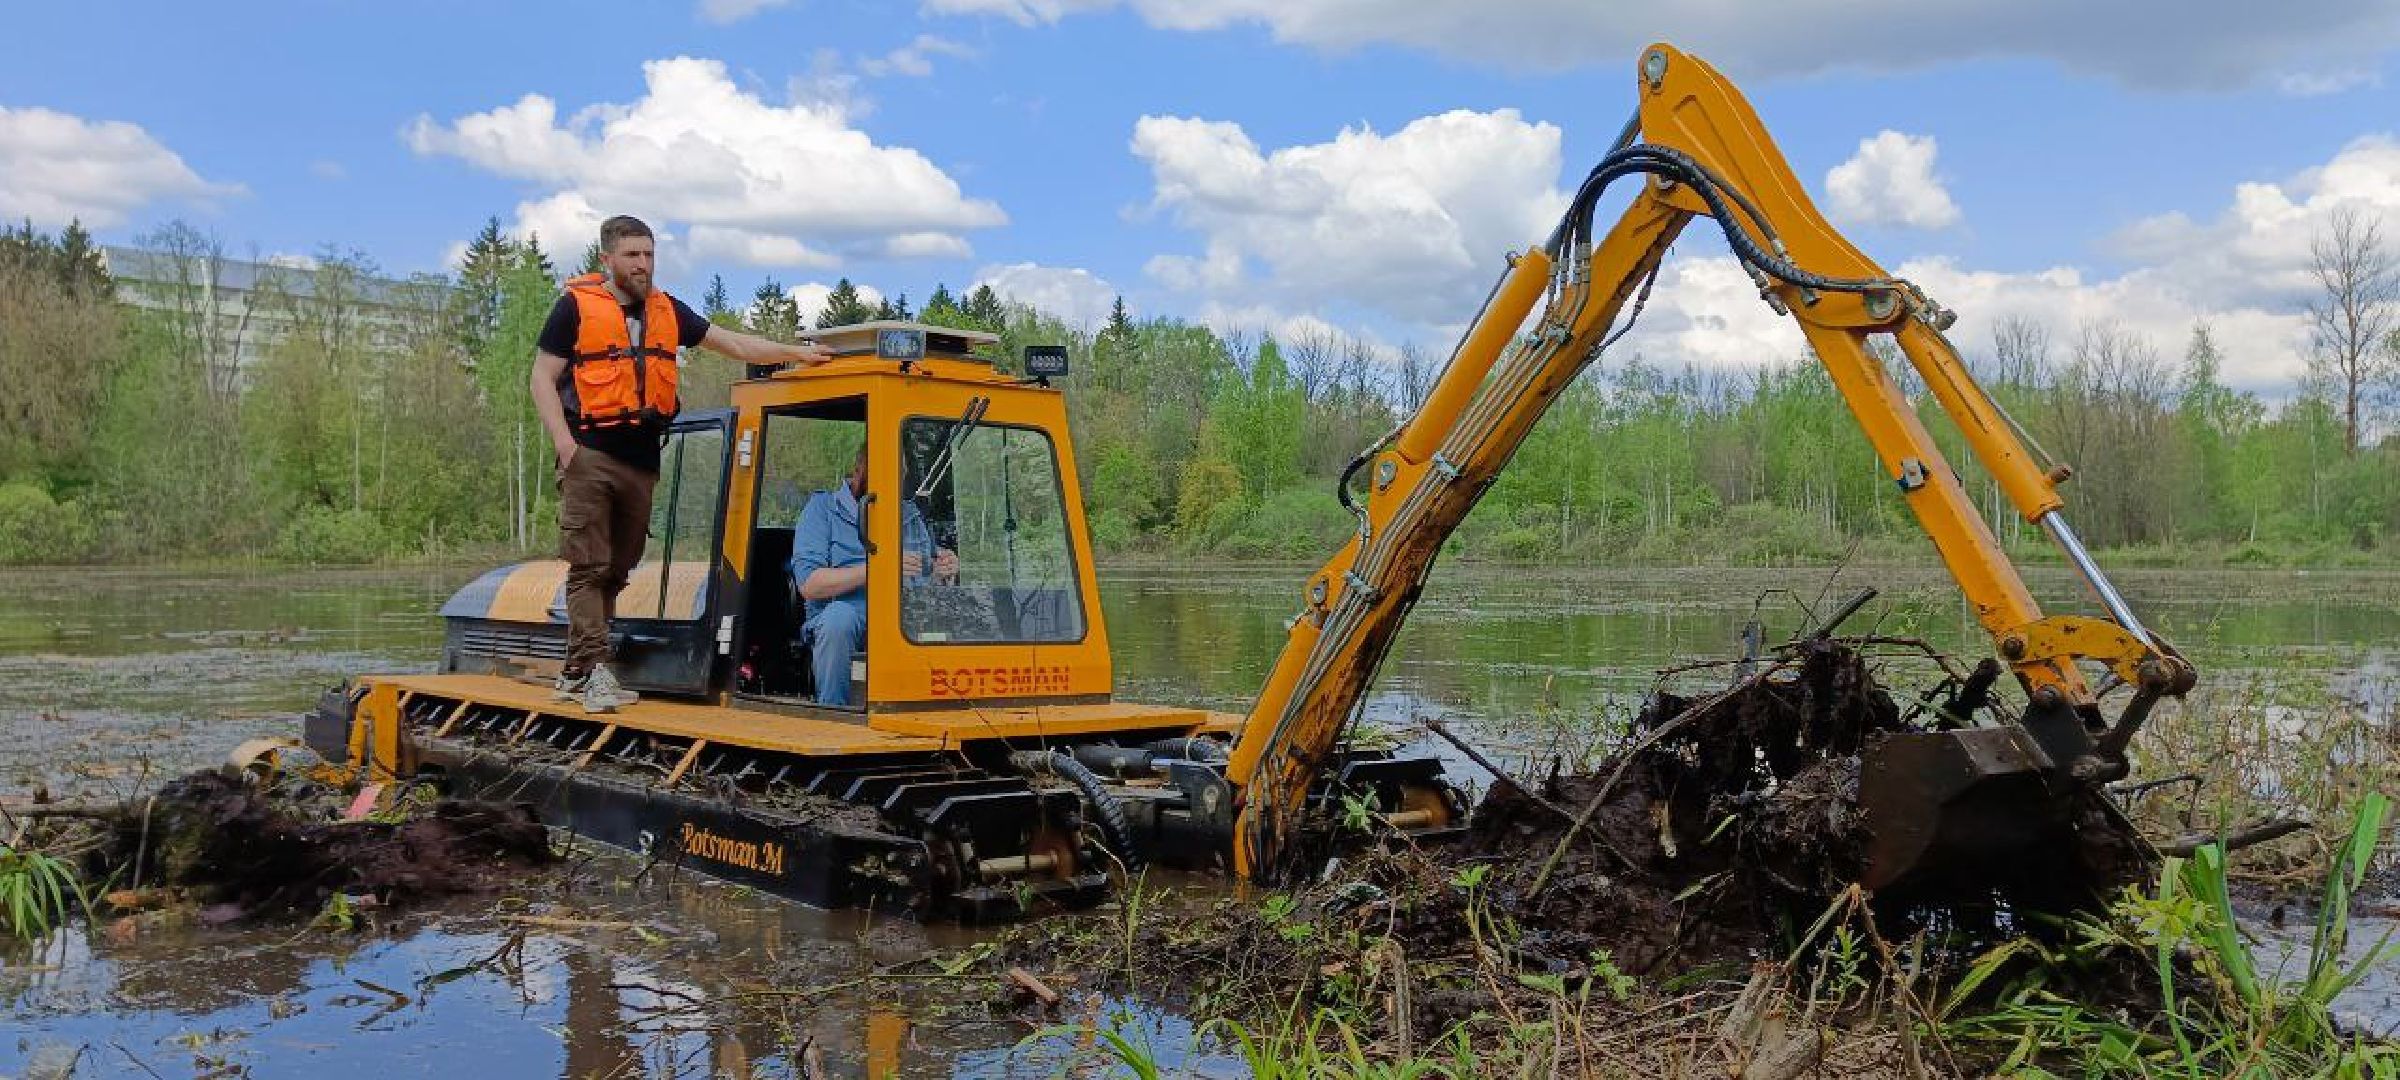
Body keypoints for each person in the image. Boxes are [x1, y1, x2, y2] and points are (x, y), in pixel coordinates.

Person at [531, 214, 829, 713]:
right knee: (590, 565)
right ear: (607, 259)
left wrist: (795, 353)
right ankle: (597, 672)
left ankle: (576, 671)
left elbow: (732, 343)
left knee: (619, 569)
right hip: (590, 454)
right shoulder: (574, 309)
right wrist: (565, 445)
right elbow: (542, 378)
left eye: (649, 254)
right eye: (632, 255)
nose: (643, 264)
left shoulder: (668, 310)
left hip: (641, 459)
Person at [789, 445, 957, 705]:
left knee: (951, 620)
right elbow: (811, 585)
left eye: (900, 472)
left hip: (904, 612)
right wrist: (880, 567)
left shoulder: (910, 515)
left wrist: (942, 567)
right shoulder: (822, 509)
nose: (897, 478)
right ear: (860, 470)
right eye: (889, 470)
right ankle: (834, 713)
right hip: (845, 612)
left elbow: (926, 572)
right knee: (838, 618)